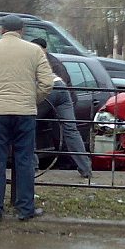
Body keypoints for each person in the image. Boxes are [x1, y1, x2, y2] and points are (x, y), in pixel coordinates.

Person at [0, 14, 54, 222]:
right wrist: (32, 100)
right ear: (22, 30)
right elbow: (47, 83)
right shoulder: (34, 51)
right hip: (25, 113)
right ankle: (25, 208)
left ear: (1, 30)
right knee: (24, 160)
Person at [30, 38, 92, 179]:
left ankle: (32, 166)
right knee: (71, 129)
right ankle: (85, 167)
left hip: (48, 90)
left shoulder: (29, 57)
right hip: (61, 89)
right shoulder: (52, 60)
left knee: (28, 124)